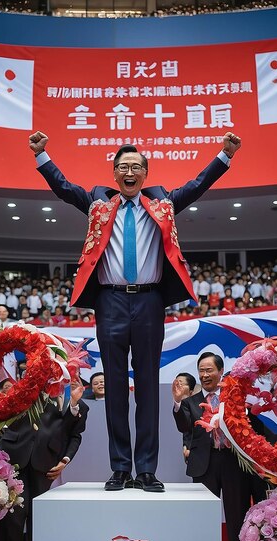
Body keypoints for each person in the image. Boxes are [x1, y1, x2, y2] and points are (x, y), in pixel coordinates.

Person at [29, 129, 241, 493]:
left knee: (146, 387)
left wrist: (224, 155)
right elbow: (64, 188)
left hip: (149, 301)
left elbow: (197, 185)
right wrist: (41, 156)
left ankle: (146, 470)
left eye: (135, 166)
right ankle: (119, 468)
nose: (129, 172)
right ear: (114, 174)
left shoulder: (162, 204)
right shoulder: (98, 203)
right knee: (113, 386)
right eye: (122, 166)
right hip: (110, 301)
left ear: (146, 173)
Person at [172, 352, 259, 541]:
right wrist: (178, 402)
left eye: (209, 370)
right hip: (204, 464)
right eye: (201, 370)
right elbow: (184, 427)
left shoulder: (233, 398)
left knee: (237, 512)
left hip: (232, 461)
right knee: (202, 516)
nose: (204, 374)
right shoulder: (191, 401)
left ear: (221, 371)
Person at [0, 378, 88, 541]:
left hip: (46, 462)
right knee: (13, 510)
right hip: (14, 456)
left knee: (37, 511)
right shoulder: (27, 393)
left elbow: (75, 435)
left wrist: (65, 460)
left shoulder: (79, 404)